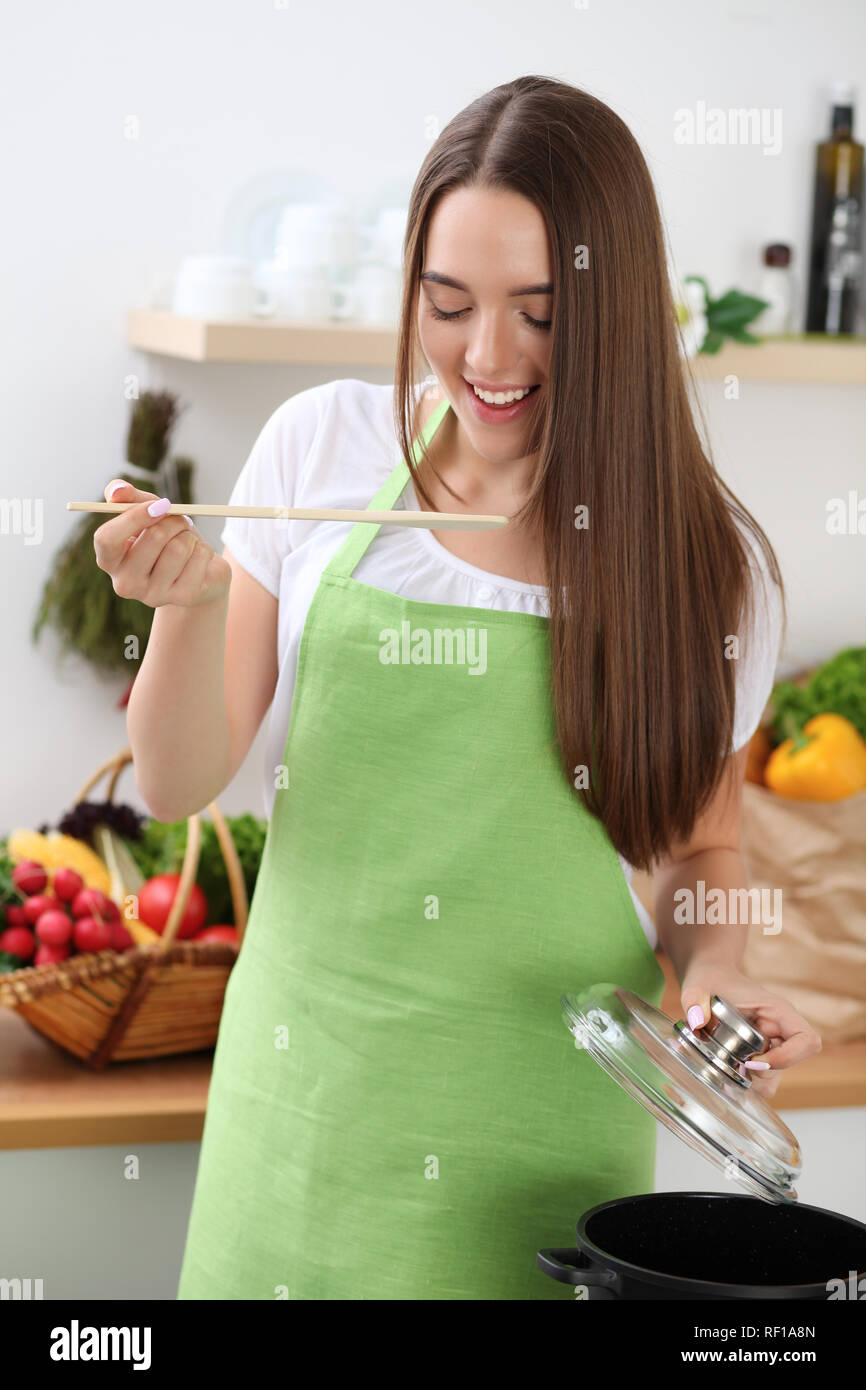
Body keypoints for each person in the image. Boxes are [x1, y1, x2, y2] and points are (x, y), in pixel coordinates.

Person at [95, 75, 820, 1300]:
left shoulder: (702, 566)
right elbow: (174, 779)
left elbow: (702, 856)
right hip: (302, 1119)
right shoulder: (320, 453)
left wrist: (718, 977)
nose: (488, 357)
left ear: (620, 308)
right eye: (448, 303)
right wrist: (189, 607)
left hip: (537, 1156)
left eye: (543, 313)